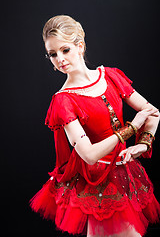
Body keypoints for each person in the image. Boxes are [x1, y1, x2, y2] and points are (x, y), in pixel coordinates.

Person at [30, 15, 160, 237]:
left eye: (65, 50)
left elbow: (153, 112)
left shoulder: (109, 76)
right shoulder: (63, 100)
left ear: (80, 46)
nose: (59, 59)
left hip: (124, 172)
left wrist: (143, 145)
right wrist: (130, 129)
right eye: (52, 54)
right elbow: (89, 154)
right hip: (97, 181)